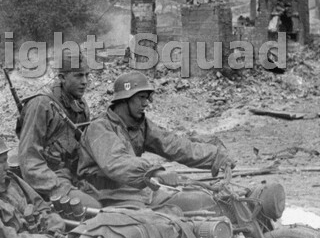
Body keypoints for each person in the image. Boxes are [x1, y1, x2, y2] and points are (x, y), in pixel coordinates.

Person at [77, 70, 236, 210]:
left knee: (201, 201)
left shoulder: (139, 125)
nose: (146, 103)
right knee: (167, 218)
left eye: (147, 98)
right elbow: (117, 162)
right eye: (141, 97)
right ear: (124, 99)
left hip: (132, 191)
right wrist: (154, 171)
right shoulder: (99, 127)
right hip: (103, 195)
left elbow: (173, 144)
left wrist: (215, 156)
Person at [18, 50, 100, 208]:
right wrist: (57, 187)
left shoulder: (80, 105)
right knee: (94, 209)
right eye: (78, 76)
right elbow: (30, 161)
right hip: (50, 179)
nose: (85, 81)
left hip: (73, 175)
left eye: (87, 75)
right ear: (62, 77)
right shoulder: (41, 105)